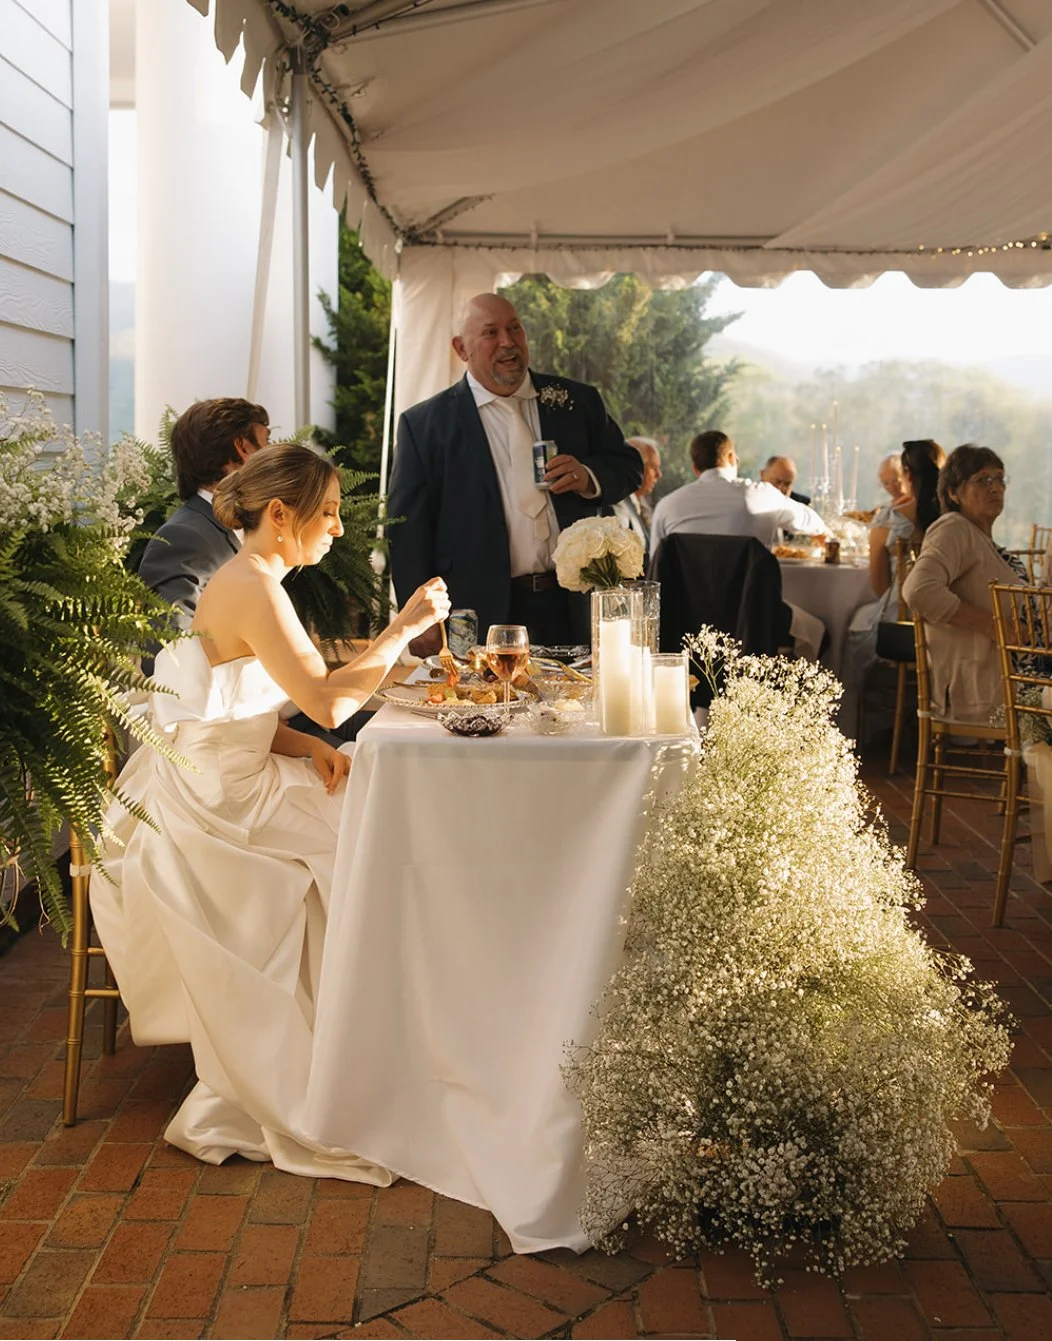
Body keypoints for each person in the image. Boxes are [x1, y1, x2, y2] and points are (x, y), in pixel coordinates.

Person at [91, 444, 450, 1178]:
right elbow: (327, 702)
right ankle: (374, 1051)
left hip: (230, 772)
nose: (340, 530)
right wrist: (402, 628)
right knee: (375, 833)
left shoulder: (250, 578)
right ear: (280, 515)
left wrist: (299, 746)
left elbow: (232, 705)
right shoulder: (253, 584)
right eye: (329, 513)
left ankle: (373, 1039)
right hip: (225, 804)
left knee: (361, 807)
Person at [387, 293, 642, 652]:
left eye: (515, 329)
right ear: (462, 348)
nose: (508, 342)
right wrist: (416, 620)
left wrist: (588, 476)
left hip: (574, 605)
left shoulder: (576, 402)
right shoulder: (425, 425)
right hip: (480, 613)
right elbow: (408, 529)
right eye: (491, 333)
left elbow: (629, 466)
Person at [649, 430, 825, 660]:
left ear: (695, 468)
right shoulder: (761, 495)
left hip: (684, 625)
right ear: (732, 458)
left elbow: (656, 567)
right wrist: (824, 536)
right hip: (752, 621)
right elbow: (814, 524)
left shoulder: (667, 506)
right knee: (818, 630)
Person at [902, 444, 1023, 723]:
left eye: (1000, 479)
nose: (996, 488)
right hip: (996, 680)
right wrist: (996, 627)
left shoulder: (981, 537)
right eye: (983, 480)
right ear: (953, 493)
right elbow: (918, 590)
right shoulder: (954, 529)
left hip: (1020, 671)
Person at [137, 397, 270, 623]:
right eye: (267, 442)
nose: (271, 453)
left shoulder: (256, 527)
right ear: (243, 447)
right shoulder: (183, 537)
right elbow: (171, 645)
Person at [847, 439, 944, 679]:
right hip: (946, 623)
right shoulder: (954, 517)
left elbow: (879, 586)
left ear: (907, 474)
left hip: (903, 625)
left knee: (849, 625)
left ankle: (852, 712)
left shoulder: (891, 518)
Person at [613, 436, 662, 555]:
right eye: (653, 467)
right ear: (636, 466)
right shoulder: (617, 506)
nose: (659, 474)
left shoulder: (641, 504)